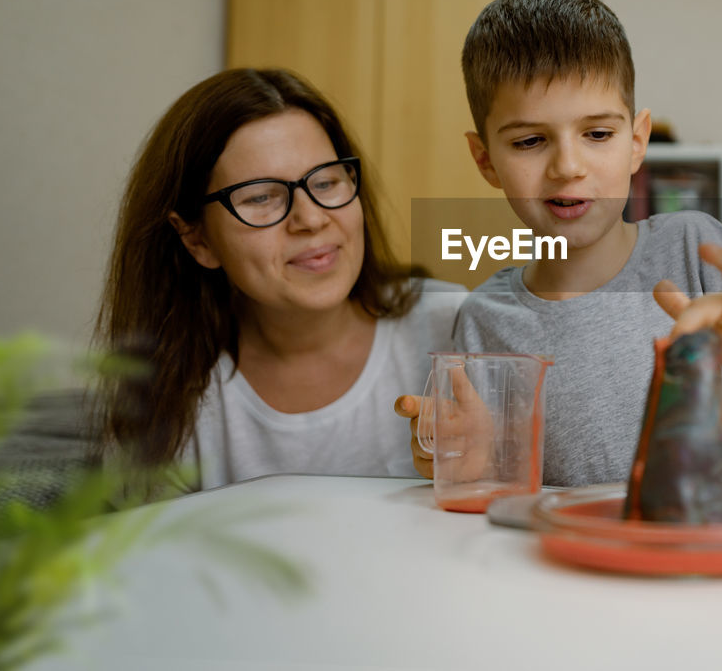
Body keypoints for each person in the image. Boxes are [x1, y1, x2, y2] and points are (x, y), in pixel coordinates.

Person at [394, 0, 722, 489]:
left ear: (636, 142)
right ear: (485, 160)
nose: (568, 167)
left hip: (712, 565)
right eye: (530, 141)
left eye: (597, 134)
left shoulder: (696, 255)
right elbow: (487, 495)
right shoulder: (485, 323)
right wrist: (461, 464)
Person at [94, 68, 465, 496]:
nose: (310, 219)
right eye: (260, 197)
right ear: (196, 238)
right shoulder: (162, 403)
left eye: (325, 182)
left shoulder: (457, 330)